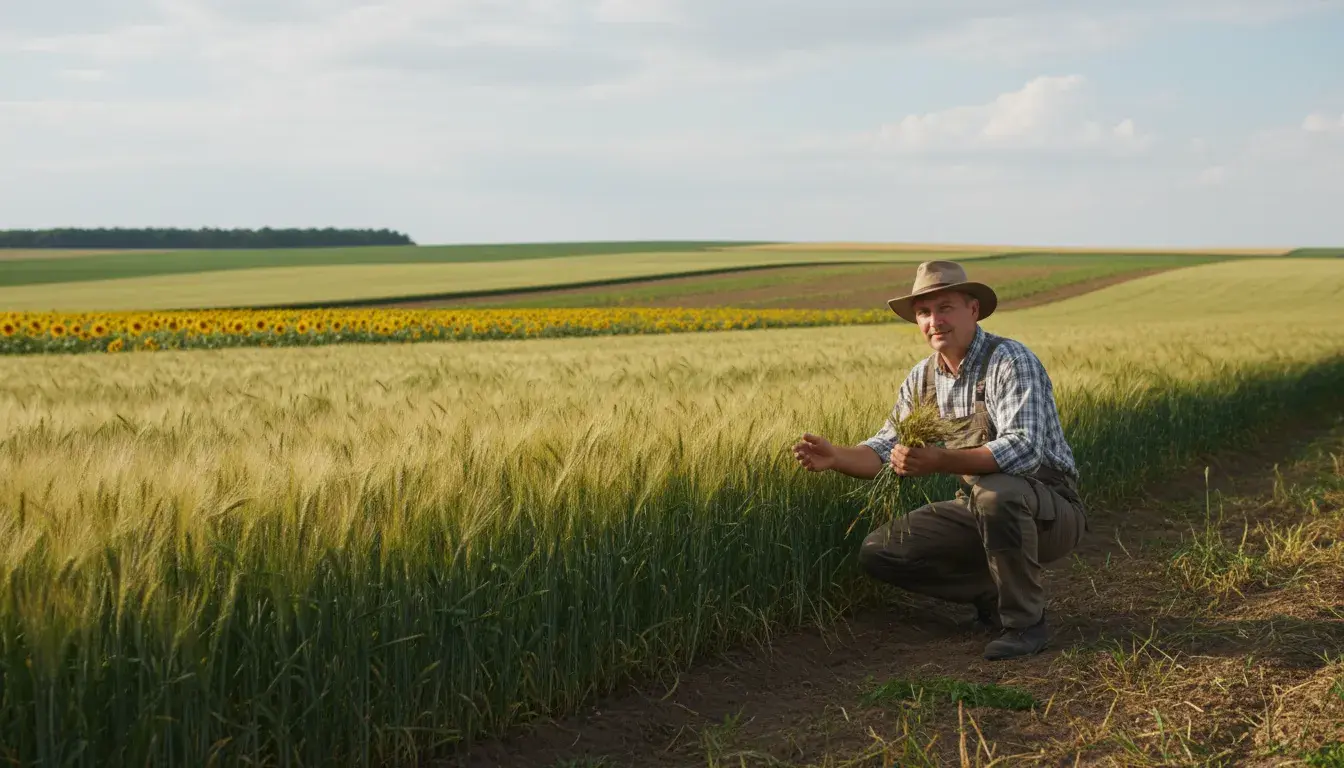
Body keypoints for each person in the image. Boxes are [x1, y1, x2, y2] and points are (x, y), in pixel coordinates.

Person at [792, 260, 1087, 661]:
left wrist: (939, 461)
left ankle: (1025, 624)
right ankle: (993, 593)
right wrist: (837, 457)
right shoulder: (922, 378)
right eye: (924, 312)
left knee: (996, 494)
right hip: (979, 505)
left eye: (945, 307)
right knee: (881, 551)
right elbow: (884, 449)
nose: (935, 321)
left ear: (973, 310)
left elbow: (1024, 449)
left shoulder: (1010, 361)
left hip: (1051, 510)